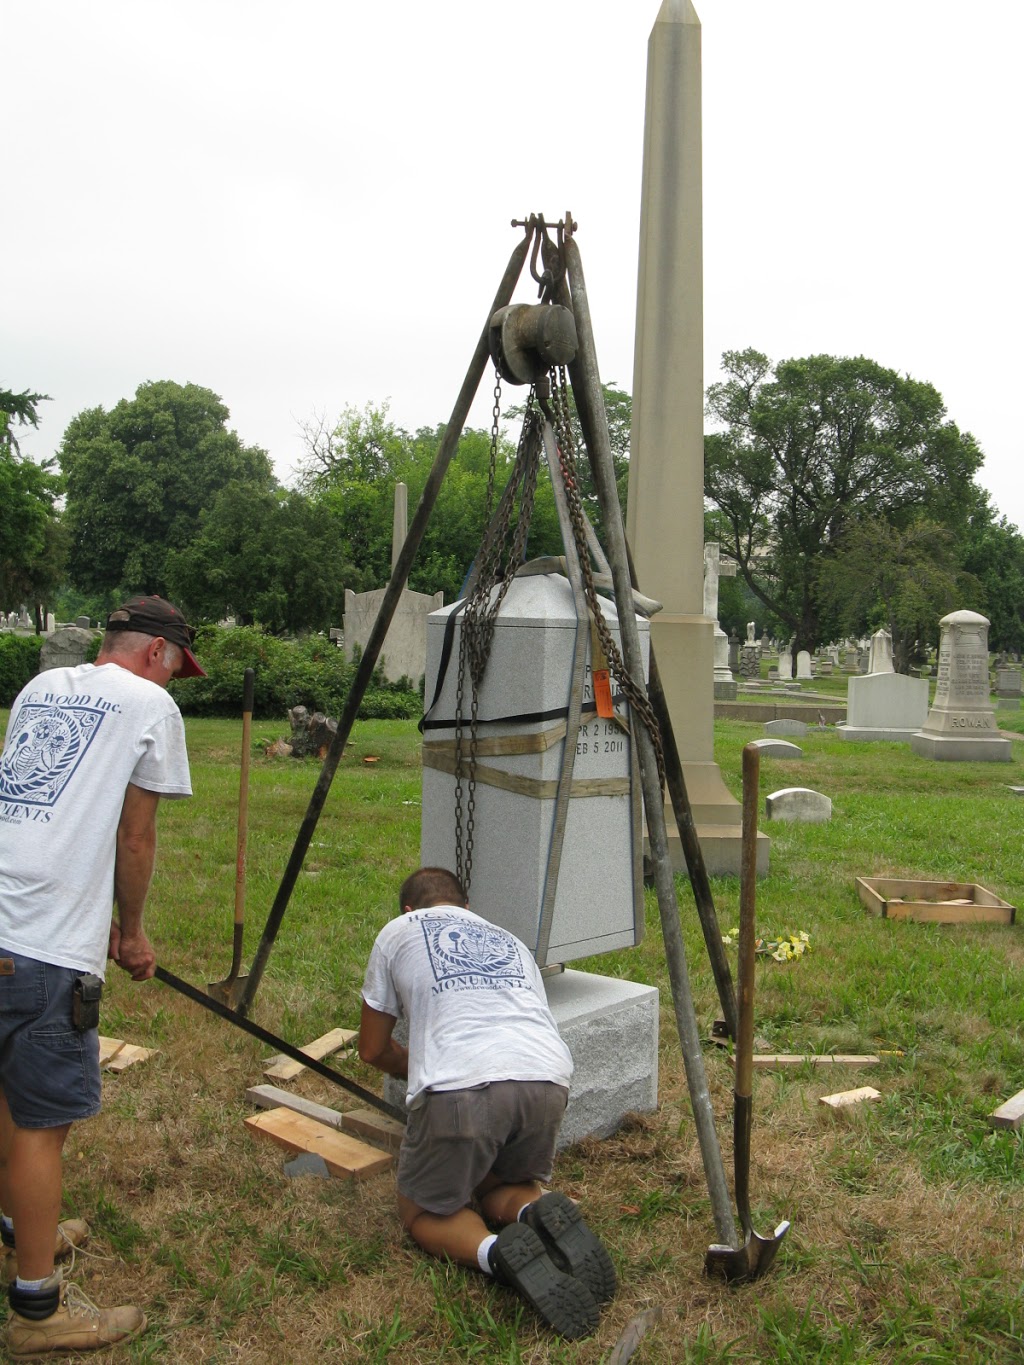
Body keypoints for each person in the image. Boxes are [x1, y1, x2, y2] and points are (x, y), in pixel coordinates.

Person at [0, 594, 202, 1357]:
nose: (177, 680)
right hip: (42, 939)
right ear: (157, 653)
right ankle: (37, 1307)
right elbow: (135, 833)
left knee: (5, 1088)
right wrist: (134, 929)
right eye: (180, 665)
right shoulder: (151, 703)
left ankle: (23, 1226)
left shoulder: (38, 687)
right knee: (42, 1123)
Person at [359, 866, 616, 1339]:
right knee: (500, 1182)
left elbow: (372, 1049)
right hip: (547, 1081)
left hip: (463, 1090)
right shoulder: (511, 941)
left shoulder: (398, 932)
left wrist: (416, 1067)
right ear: (466, 908)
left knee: (422, 1213)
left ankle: (496, 1255)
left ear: (409, 911)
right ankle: (536, 1211)